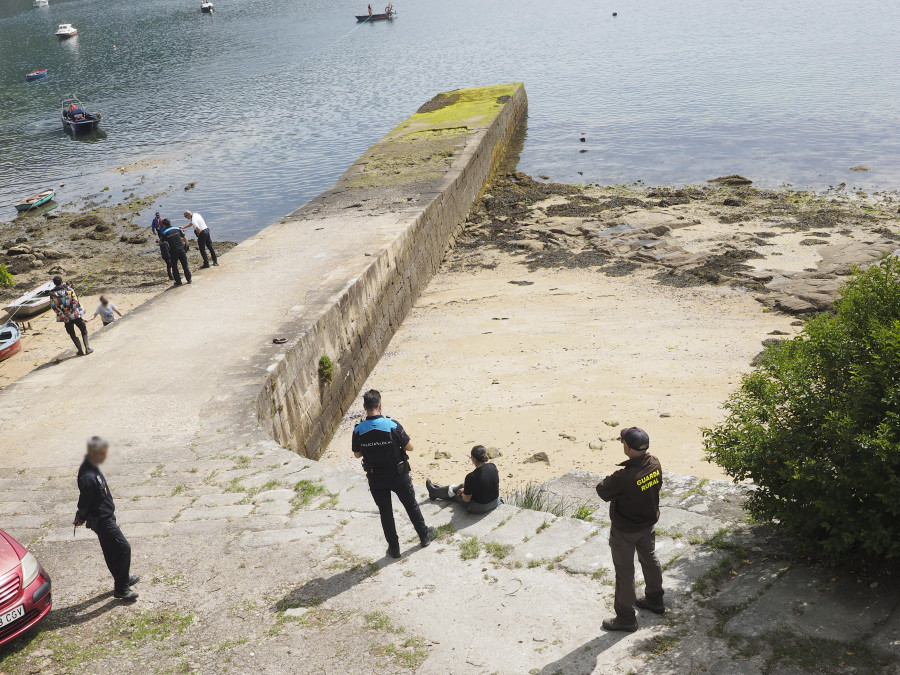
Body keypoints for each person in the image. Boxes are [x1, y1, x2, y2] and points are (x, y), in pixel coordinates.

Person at [595, 426, 665, 632]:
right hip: (647, 523)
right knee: (650, 559)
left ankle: (625, 618)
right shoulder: (655, 464)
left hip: (625, 530)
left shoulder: (625, 477)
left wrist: (614, 478)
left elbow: (602, 490)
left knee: (624, 572)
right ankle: (655, 599)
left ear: (627, 447)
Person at [352, 390, 435, 558]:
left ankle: (394, 548)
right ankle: (424, 536)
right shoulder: (392, 425)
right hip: (398, 474)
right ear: (380, 406)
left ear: (364, 407)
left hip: (376, 477)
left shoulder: (358, 430)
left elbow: (357, 454)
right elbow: (410, 447)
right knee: (411, 505)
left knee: (385, 511)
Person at [73, 436, 139, 601]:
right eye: (102, 453)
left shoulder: (93, 467)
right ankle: (122, 589)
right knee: (123, 549)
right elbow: (85, 500)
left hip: (106, 517)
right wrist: (80, 516)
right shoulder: (88, 475)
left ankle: (122, 579)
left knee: (111, 552)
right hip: (102, 521)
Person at [426, 445, 501, 514]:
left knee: (456, 494)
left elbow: (466, 500)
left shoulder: (471, 477)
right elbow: (485, 484)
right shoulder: (492, 466)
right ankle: (437, 490)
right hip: (495, 501)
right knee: (462, 487)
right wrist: (465, 489)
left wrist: (461, 494)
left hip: (480, 508)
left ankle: (434, 492)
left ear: (473, 458)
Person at [50, 275, 92, 356]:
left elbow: (54, 307)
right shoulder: (69, 290)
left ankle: (80, 350)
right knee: (83, 330)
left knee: (72, 333)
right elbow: (75, 302)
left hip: (65, 318)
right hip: (75, 314)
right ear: (62, 281)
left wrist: (64, 315)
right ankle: (87, 348)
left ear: (54, 284)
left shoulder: (52, 293)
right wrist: (70, 312)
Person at [159, 218, 191, 286]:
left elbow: (161, 241)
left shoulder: (165, 232)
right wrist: (186, 245)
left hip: (173, 251)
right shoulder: (177, 229)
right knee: (185, 265)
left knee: (174, 266)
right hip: (181, 249)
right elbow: (185, 237)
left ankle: (178, 281)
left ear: (164, 225)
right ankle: (189, 279)